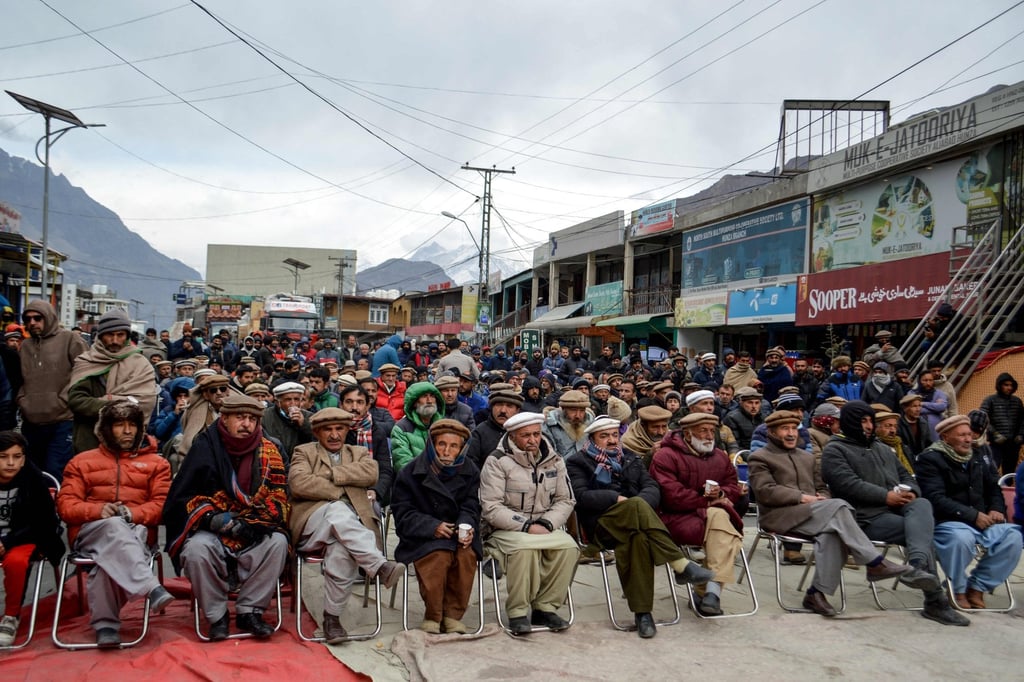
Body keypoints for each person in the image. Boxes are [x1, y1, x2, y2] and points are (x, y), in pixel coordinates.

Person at [748, 411, 913, 617]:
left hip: (812, 513)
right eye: (785, 429)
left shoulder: (807, 458)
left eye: (793, 429)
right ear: (772, 432)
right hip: (779, 516)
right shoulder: (760, 457)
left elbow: (822, 487)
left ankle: (815, 594)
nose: (791, 434)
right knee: (840, 507)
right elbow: (765, 491)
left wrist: (822, 497)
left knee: (833, 531)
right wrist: (803, 497)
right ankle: (874, 562)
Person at [820, 400, 969, 626]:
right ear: (850, 422)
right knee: (922, 533)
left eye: (870, 420)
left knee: (922, 505)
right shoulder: (835, 449)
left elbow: (907, 475)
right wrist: (885, 496)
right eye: (863, 421)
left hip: (897, 511)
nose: (869, 426)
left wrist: (911, 492)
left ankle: (917, 567)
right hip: (863, 518)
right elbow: (847, 484)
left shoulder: (881, 448)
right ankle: (935, 601)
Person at [567, 416, 713, 638]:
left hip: (636, 522)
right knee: (635, 508)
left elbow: (651, 486)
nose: (612, 440)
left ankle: (643, 614)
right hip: (601, 526)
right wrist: (615, 498)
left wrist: (639, 505)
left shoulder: (630, 458)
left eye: (615, 435)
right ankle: (680, 564)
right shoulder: (578, 461)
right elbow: (580, 496)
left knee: (638, 539)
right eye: (604, 436)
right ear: (593, 438)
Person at [164, 394, 291, 640]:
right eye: (240, 417)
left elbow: (278, 495)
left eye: (252, 419)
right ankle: (217, 615)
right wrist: (213, 518)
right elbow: (184, 497)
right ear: (225, 418)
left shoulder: (270, 449)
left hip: (254, 525)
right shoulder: (205, 446)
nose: (246, 424)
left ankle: (250, 611)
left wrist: (252, 522)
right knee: (196, 551)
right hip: (211, 527)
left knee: (278, 543)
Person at [56, 399, 174, 647]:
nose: (128, 431)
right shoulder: (81, 462)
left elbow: (163, 507)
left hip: (137, 529)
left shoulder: (157, 464)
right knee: (112, 526)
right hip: (91, 531)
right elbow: (66, 505)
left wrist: (131, 514)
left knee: (108, 557)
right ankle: (150, 587)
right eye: (120, 425)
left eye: (132, 424)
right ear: (106, 429)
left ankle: (106, 625)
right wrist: (99, 510)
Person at [289, 407, 403, 643]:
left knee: (342, 552)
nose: (334, 435)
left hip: (349, 533)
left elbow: (371, 473)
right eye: (327, 430)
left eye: (339, 429)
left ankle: (332, 620)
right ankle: (380, 567)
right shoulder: (304, 451)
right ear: (317, 432)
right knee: (337, 509)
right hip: (312, 523)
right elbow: (299, 483)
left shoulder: (359, 452)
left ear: (346, 430)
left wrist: (325, 476)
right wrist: (343, 484)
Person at [479, 412, 577, 635]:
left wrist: (547, 523)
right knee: (525, 549)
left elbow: (566, 499)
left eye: (536, 434)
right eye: (526, 435)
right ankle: (518, 612)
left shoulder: (554, 459)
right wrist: (526, 526)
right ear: (512, 436)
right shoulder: (497, 461)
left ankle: (545, 607)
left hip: (544, 525)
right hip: (504, 528)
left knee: (569, 548)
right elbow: (491, 507)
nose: (533, 440)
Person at [915, 415, 1022, 609]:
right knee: (960, 539)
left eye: (969, 435)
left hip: (983, 521)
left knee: (1013, 536)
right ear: (945, 437)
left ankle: (977, 587)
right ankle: (956, 589)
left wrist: (996, 509)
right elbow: (935, 498)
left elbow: (993, 487)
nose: (968, 439)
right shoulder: (930, 458)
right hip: (949, 522)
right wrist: (972, 516)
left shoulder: (979, 455)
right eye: (962, 435)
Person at [392, 419, 483, 634]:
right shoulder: (411, 472)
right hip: (423, 536)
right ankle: (433, 614)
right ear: (432, 444)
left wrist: (466, 526)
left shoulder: (470, 470)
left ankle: (452, 615)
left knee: (465, 556)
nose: (446, 451)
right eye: (441, 444)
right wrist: (432, 526)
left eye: (454, 446)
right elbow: (402, 513)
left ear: (462, 449)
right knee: (438, 556)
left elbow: (472, 505)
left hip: (457, 533)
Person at [650, 412, 744, 616]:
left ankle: (708, 593)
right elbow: (671, 496)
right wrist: (708, 500)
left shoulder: (719, 456)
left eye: (712, 431)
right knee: (726, 530)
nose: (709, 436)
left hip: (709, 517)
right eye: (703, 431)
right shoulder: (665, 456)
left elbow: (733, 486)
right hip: (675, 518)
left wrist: (721, 493)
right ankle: (710, 592)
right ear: (687, 434)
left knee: (721, 525)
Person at [0, 431, 65, 647]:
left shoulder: (33, 480)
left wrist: (7, 542)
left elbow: (43, 524)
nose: (11, 463)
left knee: (17, 562)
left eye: (17, 456)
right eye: (3, 457)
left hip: (24, 537)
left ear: (24, 457)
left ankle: (11, 617)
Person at [65, 309, 160, 455]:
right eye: (110, 335)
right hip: (90, 443)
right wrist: (113, 404)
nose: (115, 340)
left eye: (120, 335)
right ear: (101, 336)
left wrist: (112, 400)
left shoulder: (140, 364)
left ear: (127, 336)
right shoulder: (87, 362)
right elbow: (77, 401)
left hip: (127, 443)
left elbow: (145, 401)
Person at [16, 300, 88, 479]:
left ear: (49, 317)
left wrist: (65, 399)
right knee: (31, 473)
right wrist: (23, 400)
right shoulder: (24, 346)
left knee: (54, 471)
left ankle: (58, 507)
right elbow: (19, 379)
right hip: (31, 422)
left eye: (37, 318)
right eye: (28, 319)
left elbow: (85, 372)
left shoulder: (70, 339)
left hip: (63, 420)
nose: (32, 322)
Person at [338, 384, 395, 507]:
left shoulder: (376, 432)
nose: (354, 407)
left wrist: (375, 490)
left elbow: (385, 470)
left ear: (367, 406)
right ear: (341, 405)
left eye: (360, 402)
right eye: (349, 402)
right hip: (338, 488)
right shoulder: (332, 429)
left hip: (370, 489)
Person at [391, 382, 445, 472]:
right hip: (414, 482)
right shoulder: (401, 429)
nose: (429, 401)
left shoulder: (444, 425)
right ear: (414, 402)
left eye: (432, 396)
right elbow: (403, 464)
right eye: (424, 396)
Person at [261, 381, 314, 468]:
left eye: (296, 399)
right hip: (273, 464)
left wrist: (303, 425)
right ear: (278, 402)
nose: (293, 403)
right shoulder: (264, 416)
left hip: (300, 465)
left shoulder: (310, 417)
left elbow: (314, 442)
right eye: (288, 399)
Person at [464, 389, 523, 468]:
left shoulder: (525, 432)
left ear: (517, 410)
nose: (503, 411)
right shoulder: (479, 432)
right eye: (499, 405)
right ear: (491, 408)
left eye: (509, 406)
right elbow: (471, 465)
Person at [979, 372, 1024, 475]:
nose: (1009, 388)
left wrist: (1021, 435)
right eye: (1006, 385)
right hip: (996, 444)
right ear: (999, 385)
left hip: (1013, 444)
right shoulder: (990, 400)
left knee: (1009, 472)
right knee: (992, 470)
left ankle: (1006, 490)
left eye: (1011, 385)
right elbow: (982, 418)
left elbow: (1022, 420)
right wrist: (994, 434)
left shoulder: (1017, 401)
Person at [541, 389, 594, 459]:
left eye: (582, 411)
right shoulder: (549, 425)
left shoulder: (590, 422)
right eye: (573, 410)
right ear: (563, 409)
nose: (578, 415)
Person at [722, 386, 764, 450]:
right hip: (745, 454)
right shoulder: (732, 418)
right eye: (750, 402)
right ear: (741, 403)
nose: (754, 406)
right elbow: (735, 445)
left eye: (757, 403)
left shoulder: (763, 417)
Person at [911, 371, 949, 436]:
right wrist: (935, 409)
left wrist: (923, 404)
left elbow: (942, 407)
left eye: (930, 380)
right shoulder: (912, 393)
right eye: (925, 380)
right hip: (916, 429)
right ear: (919, 381)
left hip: (935, 431)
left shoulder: (939, 393)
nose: (928, 383)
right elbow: (912, 409)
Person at [897, 393, 934, 460]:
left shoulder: (923, 423)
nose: (918, 409)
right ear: (905, 408)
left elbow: (928, 443)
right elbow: (901, 447)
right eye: (914, 406)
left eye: (919, 406)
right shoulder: (898, 424)